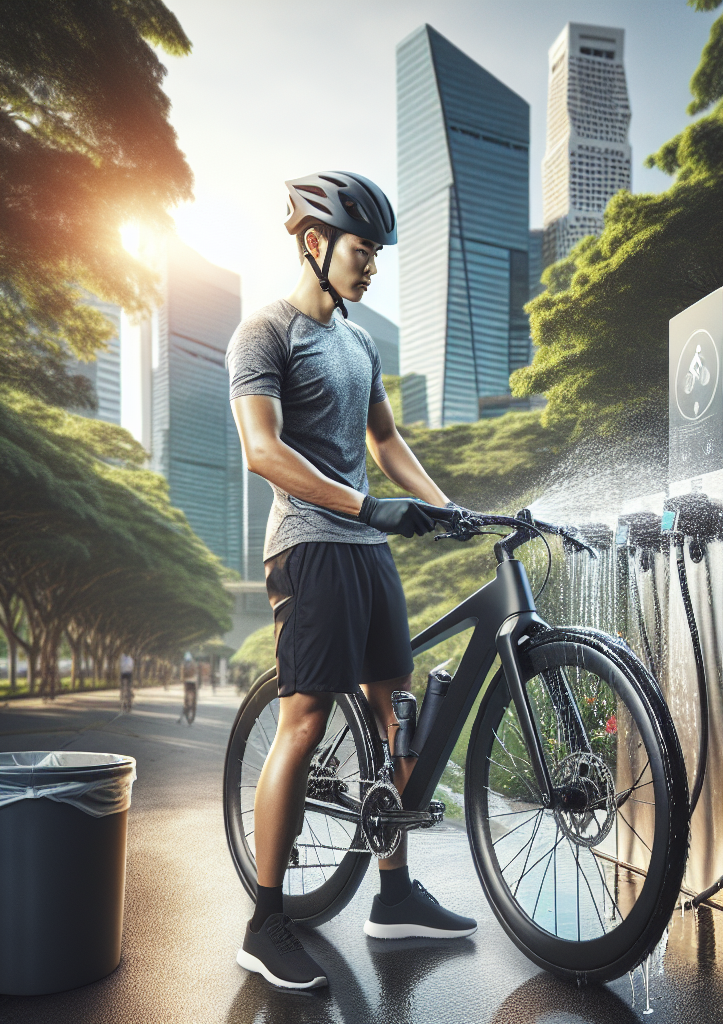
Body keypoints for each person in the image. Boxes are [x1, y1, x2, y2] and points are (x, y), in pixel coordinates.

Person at [225, 170, 476, 992]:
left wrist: (445, 507)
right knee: (302, 719)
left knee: (394, 715)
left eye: (375, 255)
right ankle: (266, 923)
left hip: (367, 550)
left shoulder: (361, 344)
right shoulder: (264, 333)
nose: (371, 268)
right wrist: (370, 507)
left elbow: (387, 441)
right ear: (314, 244)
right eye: (362, 252)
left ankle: (394, 894)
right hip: (309, 546)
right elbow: (263, 451)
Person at [181, 651, 198, 725]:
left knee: (186, 697)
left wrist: (182, 680)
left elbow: (182, 675)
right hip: (193, 682)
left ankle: (186, 706)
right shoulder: (193, 663)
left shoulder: (183, 664)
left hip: (187, 682)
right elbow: (196, 672)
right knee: (194, 697)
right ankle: (192, 705)